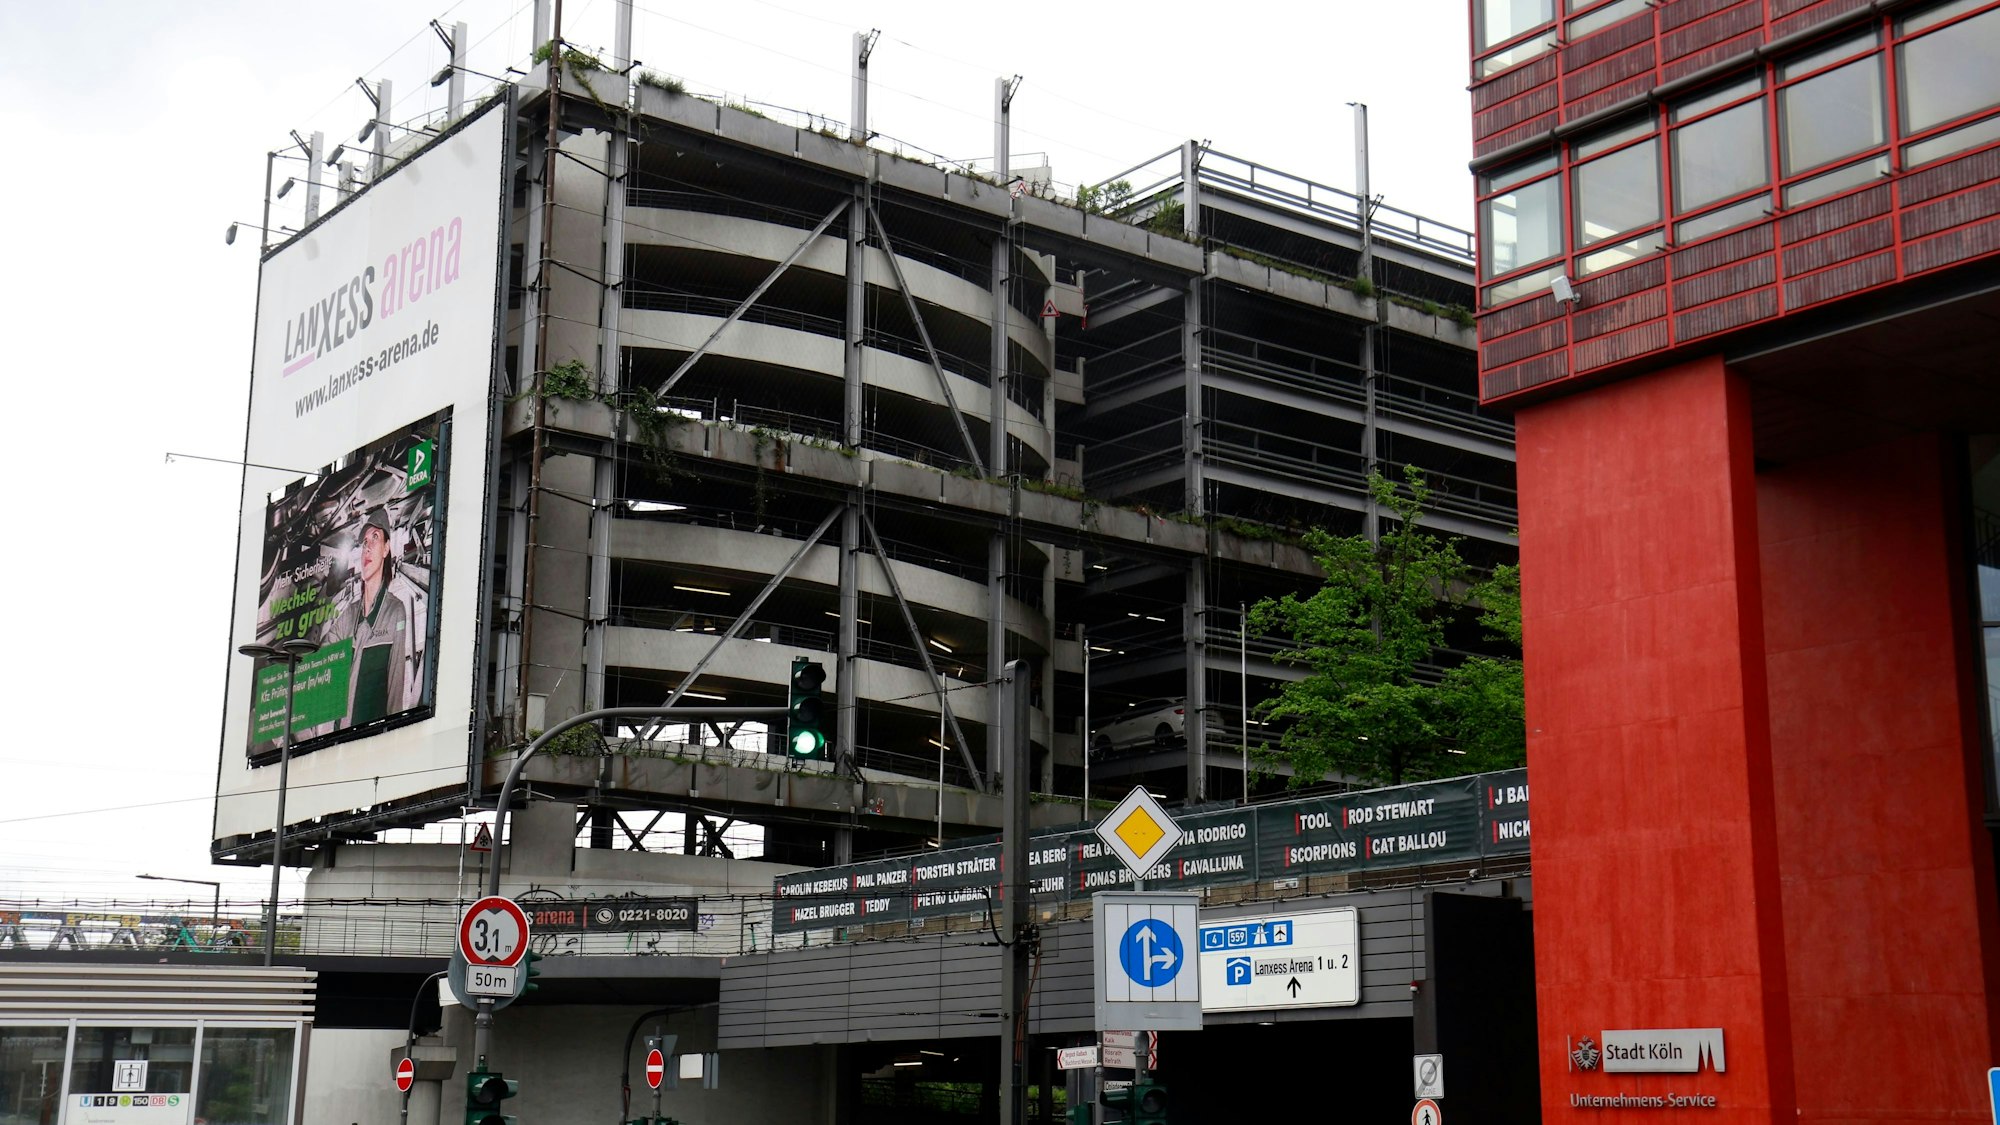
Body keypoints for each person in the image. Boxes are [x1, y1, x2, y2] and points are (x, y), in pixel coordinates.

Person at [339, 507, 410, 725]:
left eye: (375, 538)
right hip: (337, 744)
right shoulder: (348, 615)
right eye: (364, 542)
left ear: (387, 548)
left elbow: (395, 691)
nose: (367, 547)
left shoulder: (395, 612)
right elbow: (319, 658)